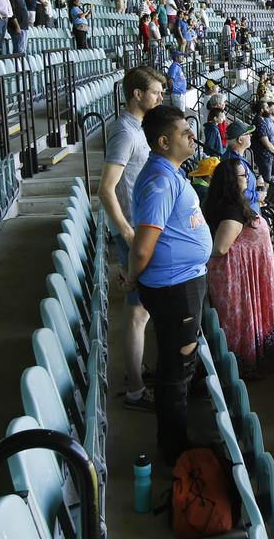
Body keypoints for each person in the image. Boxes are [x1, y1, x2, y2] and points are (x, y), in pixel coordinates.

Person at [124, 106, 212, 465]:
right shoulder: (160, 181)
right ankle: (174, 448)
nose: (192, 136)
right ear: (163, 142)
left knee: (180, 363)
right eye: (184, 132)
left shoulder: (169, 173)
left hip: (183, 282)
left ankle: (175, 436)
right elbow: (144, 245)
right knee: (177, 367)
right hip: (175, 288)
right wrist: (132, 275)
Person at [97, 67, 165, 412]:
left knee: (142, 310)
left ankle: (137, 373)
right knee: (138, 312)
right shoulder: (124, 132)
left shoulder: (136, 128)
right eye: (155, 92)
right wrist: (125, 230)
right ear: (137, 94)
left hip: (139, 229)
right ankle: (136, 389)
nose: (160, 97)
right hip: (132, 232)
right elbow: (106, 188)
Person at [204, 158, 274, 376]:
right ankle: (243, 366)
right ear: (231, 180)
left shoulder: (226, 203)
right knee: (238, 322)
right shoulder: (231, 210)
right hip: (235, 279)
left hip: (241, 276)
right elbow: (220, 248)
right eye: (242, 175)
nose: (247, 178)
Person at [252, 101, 274, 185]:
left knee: (270, 177)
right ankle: (264, 197)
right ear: (261, 110)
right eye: (267, 108)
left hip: (268, 155)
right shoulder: (259, 122)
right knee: (266, 180)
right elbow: (266, 143)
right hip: (264, 156)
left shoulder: (263, 120)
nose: (269, 110)